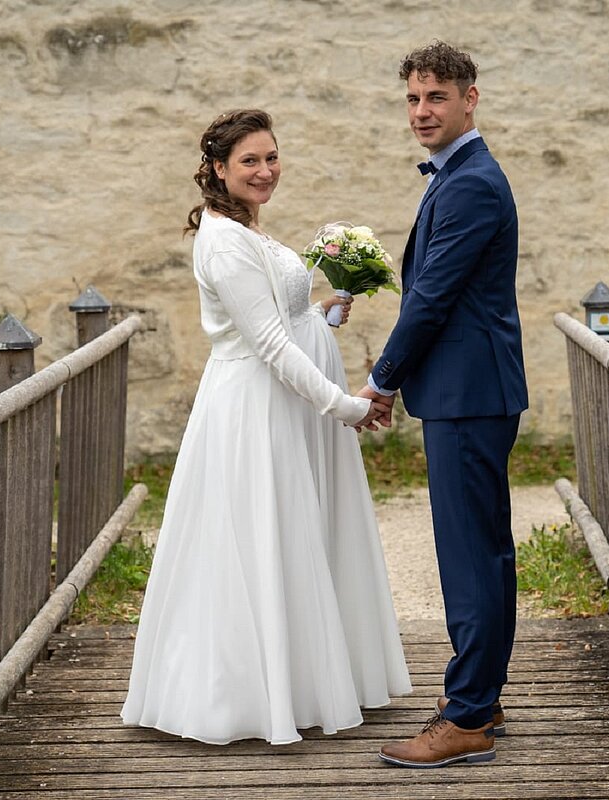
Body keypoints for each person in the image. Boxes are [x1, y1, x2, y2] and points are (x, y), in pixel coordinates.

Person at [120, 109, 411, 745]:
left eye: (271, 157)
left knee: (295, 535)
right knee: (261, 538)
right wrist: (347, 406)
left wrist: (321, 312)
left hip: (284, 403)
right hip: (256, 408)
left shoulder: (246, 226)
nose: (265, 171)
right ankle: (249, 696)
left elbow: (274, 318)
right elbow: (270, 347)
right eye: (249, 161)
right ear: (218, 169)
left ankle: (304, 681)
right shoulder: (224, 241)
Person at [359, 42, 528, 767]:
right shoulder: (460, 174)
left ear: (470, 99)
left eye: (436, 97)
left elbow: (430, 298)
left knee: (470, 557)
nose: (422, 111)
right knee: (483, 550)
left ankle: (465, 719)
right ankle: (481, 697)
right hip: (472, 390)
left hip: (468, 394)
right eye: (413, 99)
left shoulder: (471, 184)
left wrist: (381, 380)